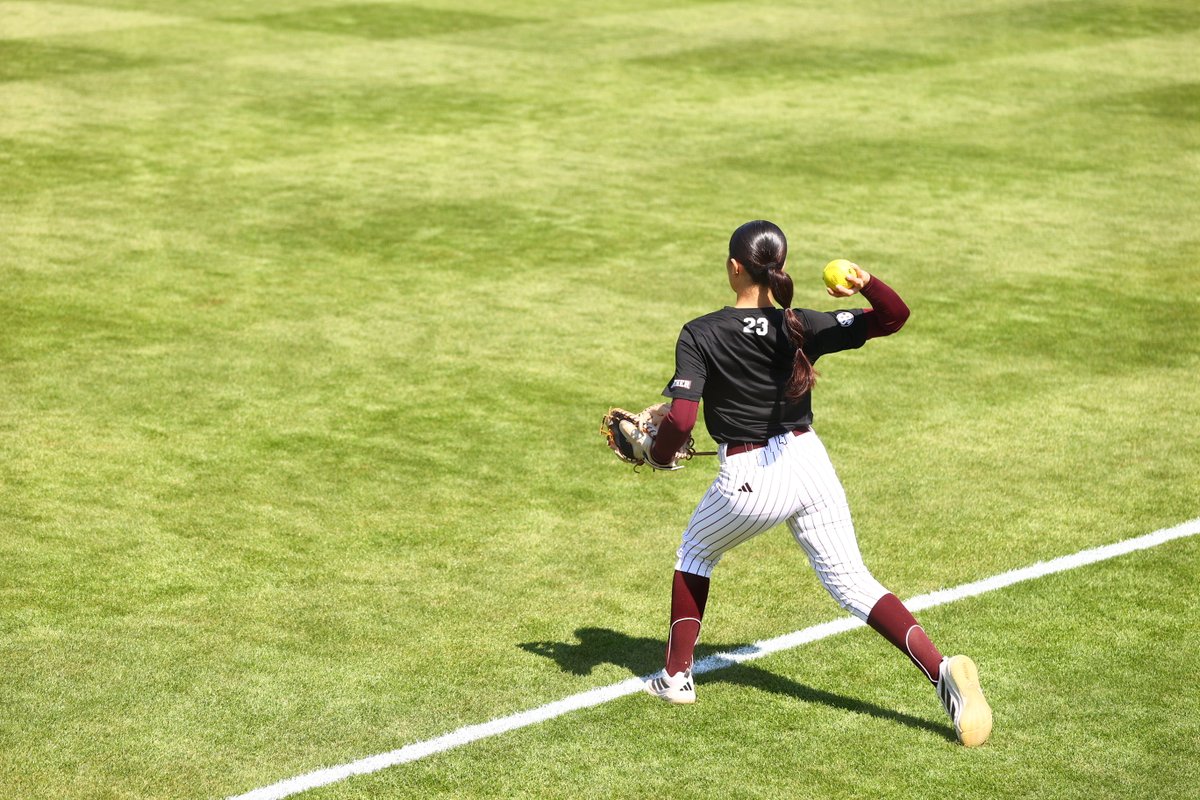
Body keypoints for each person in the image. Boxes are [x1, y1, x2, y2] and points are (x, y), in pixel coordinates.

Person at [639, 220, 992, 747]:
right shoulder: (801, 324)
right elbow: (894, 316)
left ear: (734, 268)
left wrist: (657, 454)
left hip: (752, 478)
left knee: (695, 553)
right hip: (810, 463)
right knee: (853, 582)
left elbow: (683, 421)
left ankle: (676, 678)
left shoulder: (701, 332)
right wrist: (865, 280)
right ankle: (942, 671)